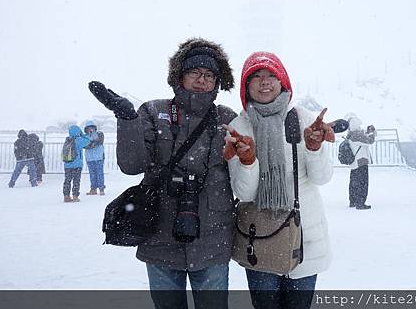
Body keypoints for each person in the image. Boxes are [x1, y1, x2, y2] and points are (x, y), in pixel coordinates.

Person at [89, 38, 236, 309]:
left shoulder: (227, 118)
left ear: (218, 81)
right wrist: (128, 120)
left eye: (209, 75)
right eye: (195, 72)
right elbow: (131, 166)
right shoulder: (154, 112)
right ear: (179, 75)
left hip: (212, 237)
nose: (202, 80)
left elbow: (241, 176)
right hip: (160, 237)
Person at [225, 51, 334, 309]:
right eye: (257, 76)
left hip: (304, 236)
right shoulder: (238, 127)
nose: (265, 82)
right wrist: (248, 161)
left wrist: (314, 148)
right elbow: (245, 193)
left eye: (271, 75)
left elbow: (322, 177)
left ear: (283, 81)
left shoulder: (304, 119)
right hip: (261, 237)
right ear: (246, 86)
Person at [345, 113, 376, 210]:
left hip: (354, 163)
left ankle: (353, 201)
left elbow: (363, 139)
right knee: (362, 183)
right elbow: (370, 140)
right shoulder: (357, 135)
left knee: (354, 182)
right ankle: (360, 203)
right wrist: (371, 132)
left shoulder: (351, 135)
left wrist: (366, 133)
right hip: (361, 162)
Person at [63, 125, 91, 202]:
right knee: (76, 181)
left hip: (67, 164)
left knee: (67, 180)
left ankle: (66, 196)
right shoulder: (79, 140)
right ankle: (75, 196)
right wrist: (82, 134)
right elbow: (88, 141)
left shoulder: (67, 140)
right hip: (77, 165)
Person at [83, 120, 106, 195]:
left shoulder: (99, 134)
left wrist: (91, 143)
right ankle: (93, 189)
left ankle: (101, 189)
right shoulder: (85, 136)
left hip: (99, 157)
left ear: (95, 128)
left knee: (100, 173)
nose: (90, 129)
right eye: (88, 128)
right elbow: (84, 145)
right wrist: (91, 144)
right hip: (89, 159)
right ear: (86, 129)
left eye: (92, 127)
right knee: (92, 174)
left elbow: (99, 141)